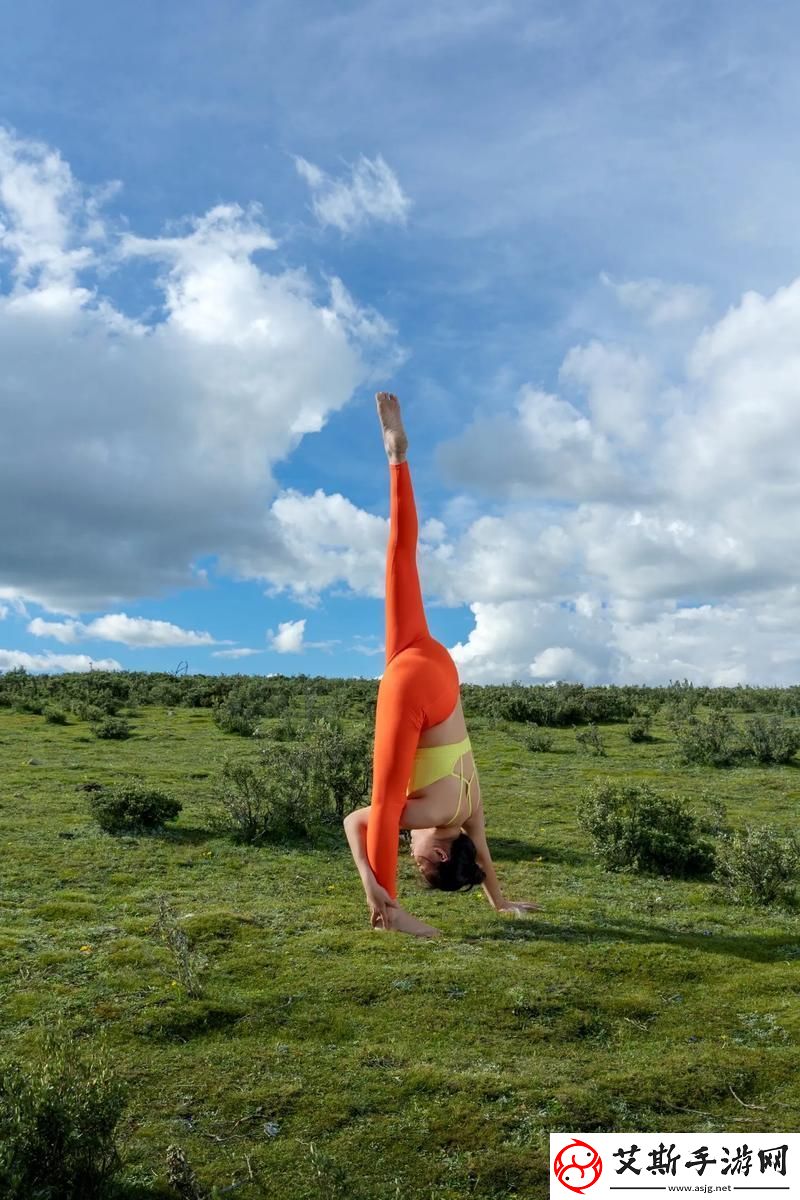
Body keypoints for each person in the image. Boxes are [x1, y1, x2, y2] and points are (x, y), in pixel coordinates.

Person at [343, 392, 540, 936]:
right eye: (418, 860)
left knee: (401, 561)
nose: (414, 852)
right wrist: (369, 873)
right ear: (437, 852)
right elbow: (358, 820)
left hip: (439, 668)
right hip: (415, 688)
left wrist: (499, 903)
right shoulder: (432, 817)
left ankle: (396, 458)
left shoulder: (469, 811)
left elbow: (484, 856)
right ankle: (390, 912)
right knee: (384, 803)